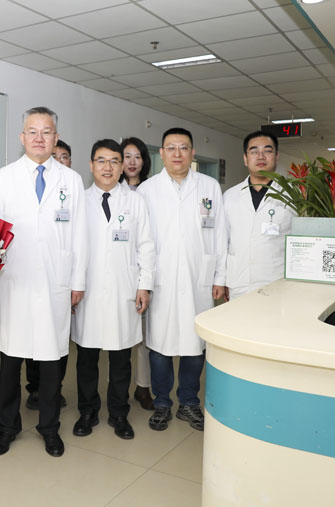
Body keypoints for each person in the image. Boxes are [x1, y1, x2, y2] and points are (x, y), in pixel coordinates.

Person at [0, 107, 87, 458]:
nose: (40, 138)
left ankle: (49, 428)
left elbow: (79, 235)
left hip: (55, 282)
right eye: (33, 131)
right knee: (10, 361)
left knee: (50, 362)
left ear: (56, 138)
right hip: (12, 281)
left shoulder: (71, 180)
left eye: (47, 132)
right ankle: (7, 428)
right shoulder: (3, 178)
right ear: (22, 137)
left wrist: (77, 281)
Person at [137, 127, 226, 432]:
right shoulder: (147, 190)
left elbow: (220, 235)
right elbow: (142, 241)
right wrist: (143, 281)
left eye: (183, 148)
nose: (177, 154)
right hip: (160, 278)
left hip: (198, 277)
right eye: (171, 148)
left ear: (192, 153)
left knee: (194, 345)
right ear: (161, 153)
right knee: (159, 346)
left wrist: (220, 276)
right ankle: (162, 403)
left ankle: (189, 402)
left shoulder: (209, 187)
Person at [72, 139, 155, 440]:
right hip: (88, 290)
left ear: (122, 167)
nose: (107, 167)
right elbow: (71, 248)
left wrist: (145, 285)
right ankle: (88, 411)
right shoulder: (80, 201)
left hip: (124, 289)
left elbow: (146, 245)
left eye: (114, 161)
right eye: (101, 161)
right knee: (87, 357)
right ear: (91, 165)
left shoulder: (135, 201)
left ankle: (119, 413)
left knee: (121, 359)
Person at [25, 139, 72, 410]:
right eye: (55, 156)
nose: (59, 160)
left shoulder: (72, 188)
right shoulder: (27, 184)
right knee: (33, 336)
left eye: (64, 156)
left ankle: (55, 389)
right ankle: (34, 388)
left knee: (58, 338)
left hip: (61, 280)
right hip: (31, 279)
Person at [224, 131, 294, 300]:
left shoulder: (293, 195)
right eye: (254, 151)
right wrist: (222, 279)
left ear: (276, 156)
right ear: (245, 158)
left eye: (267, 151)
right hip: (238, 282)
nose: (261, 156)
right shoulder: (230, 196)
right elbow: (222, 242)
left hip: (277, 283)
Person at [119, 137, 155, 411]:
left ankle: (143, 386)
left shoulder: (152, 191)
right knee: (119, 338)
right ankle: (117, 391)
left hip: (145, 270)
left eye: (137, 157)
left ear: (145, 161)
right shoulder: (111, 189)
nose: (132, 162)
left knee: (144, 336)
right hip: (119, 272)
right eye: (126, 156)